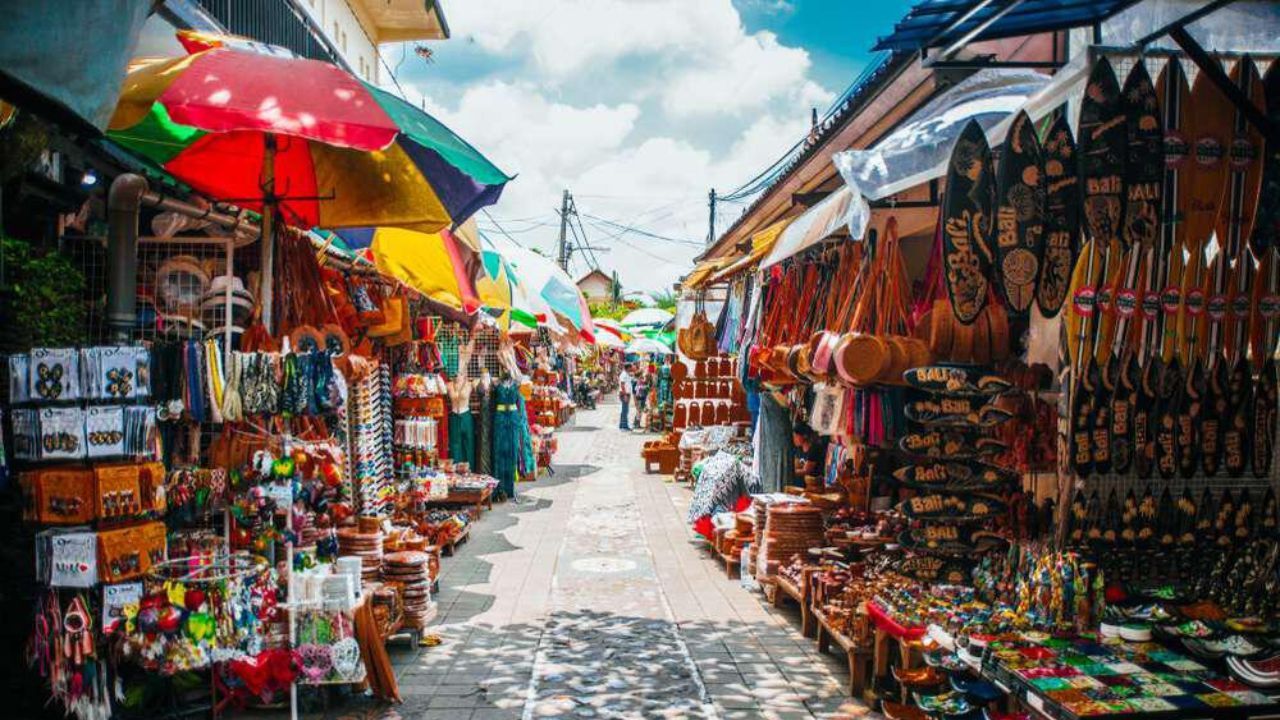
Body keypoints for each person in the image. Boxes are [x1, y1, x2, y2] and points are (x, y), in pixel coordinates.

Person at [791, 421, 828, 488]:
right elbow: (796, 465)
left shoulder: (814, 449)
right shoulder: (799, 449)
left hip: (814, 485)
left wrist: (789, 472)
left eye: (796, 436)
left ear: (805, 435)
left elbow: (806, 471)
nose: (794, 439)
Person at [633, 366, 650, 430]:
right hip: (640, 397)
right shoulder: (638, 381)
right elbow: (638, 389)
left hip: (641, 397)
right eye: (642, 374)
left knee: (640, 410)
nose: (643, 376)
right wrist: (646, 387)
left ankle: (636, 423)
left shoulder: (640, 381)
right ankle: (637, 424)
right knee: (639, 410)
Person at [618, 363, 633, 430]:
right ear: (628, 367)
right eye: (630, 367)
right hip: (625, 394)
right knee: (625, 410)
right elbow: (622, 385)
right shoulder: (623, 374)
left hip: (627, 393)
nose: (631, 368)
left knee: (625, 409)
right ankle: (624, 425)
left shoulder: (626, 374)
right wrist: (625, 395)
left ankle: (622, 424)